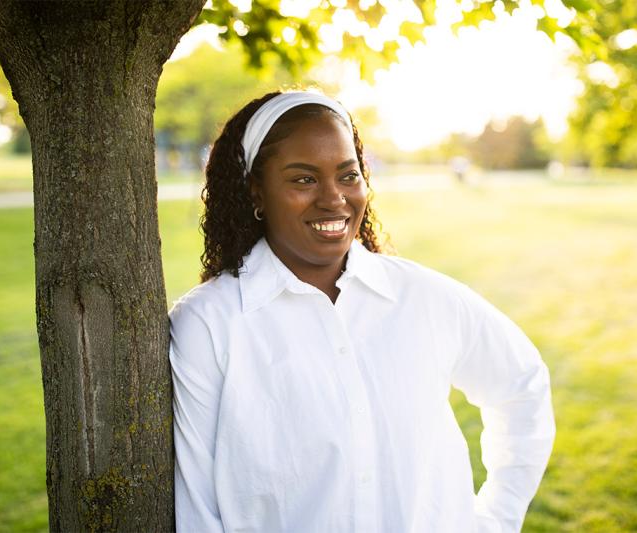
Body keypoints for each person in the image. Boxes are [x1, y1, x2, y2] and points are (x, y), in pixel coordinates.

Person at [169, 89, 555, 533]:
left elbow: (521, 384)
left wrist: (497, 519)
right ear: (255, 190)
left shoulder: (422, 297)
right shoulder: (208, 325)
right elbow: (198, 509)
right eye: (304, 179)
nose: (334, 199)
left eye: (348, 175)